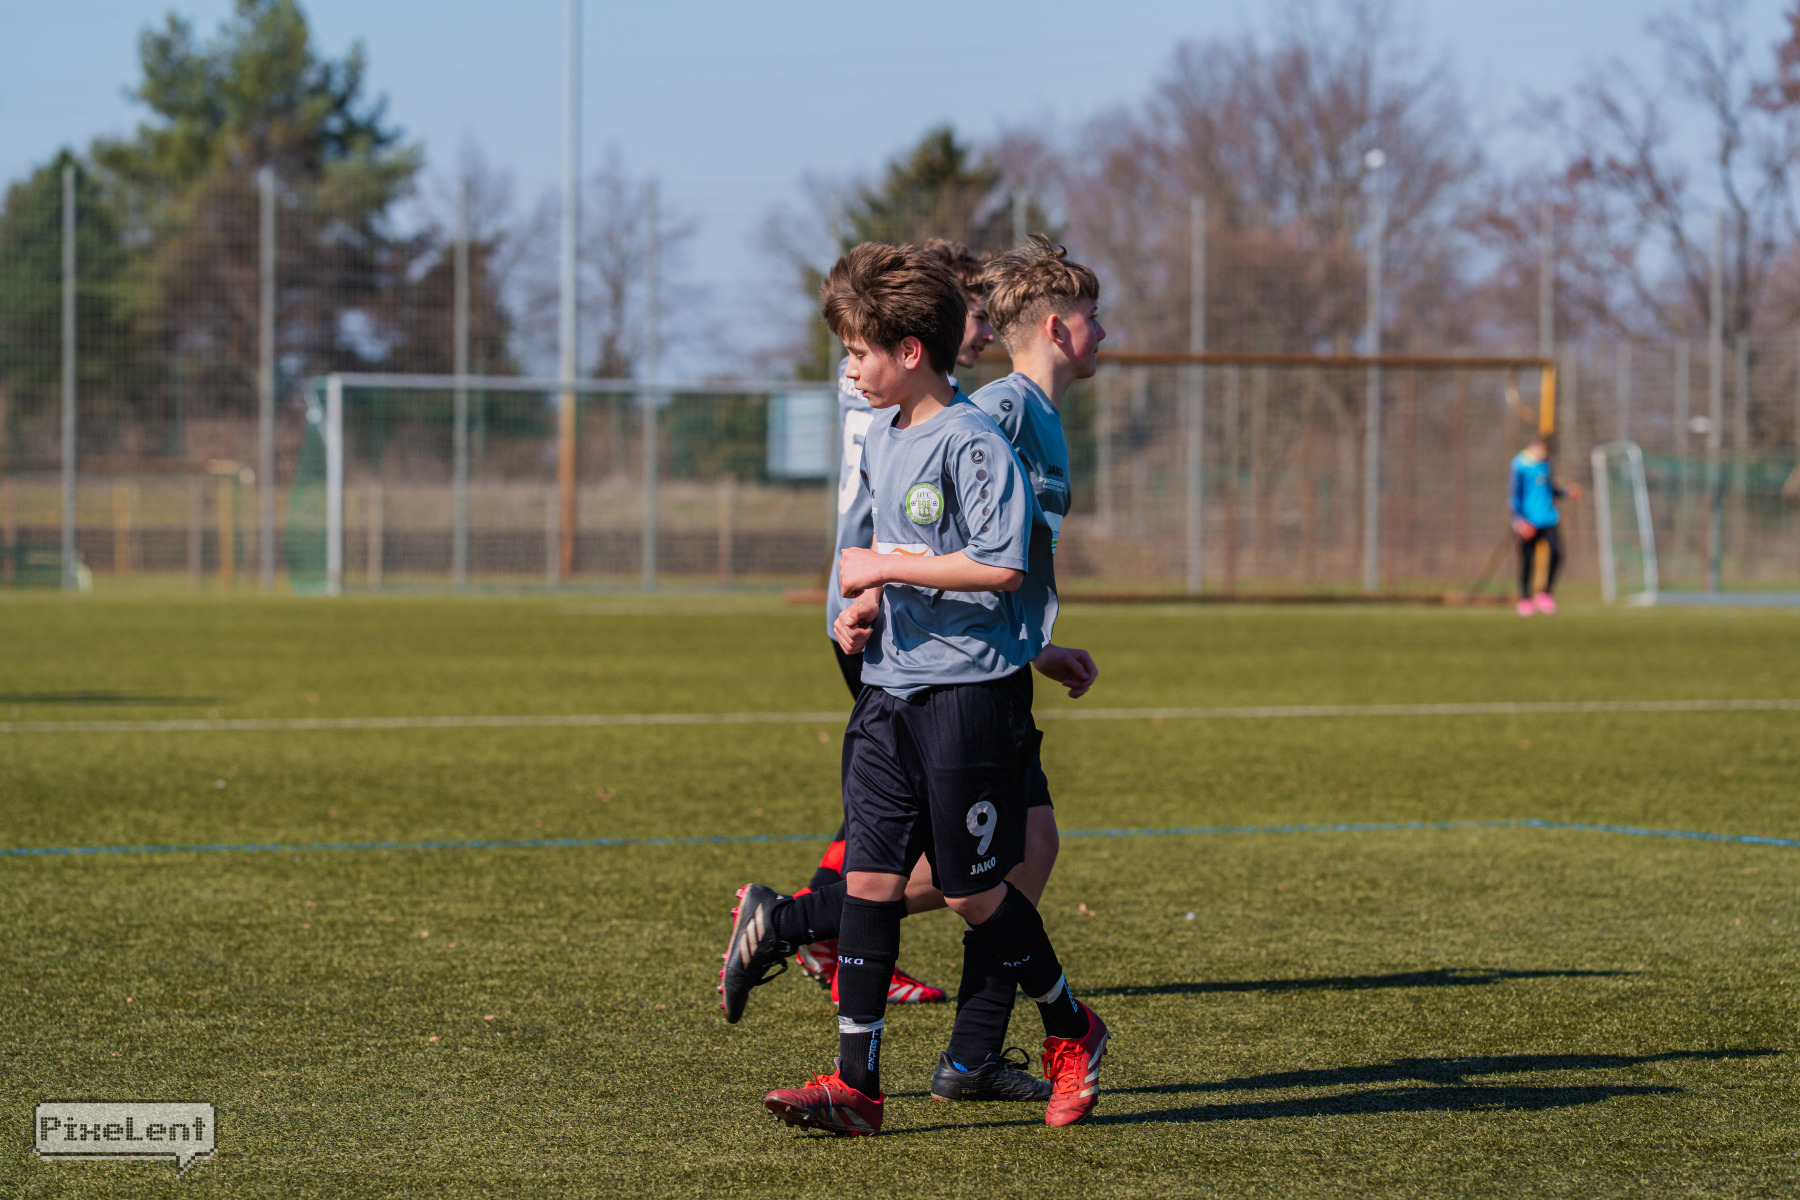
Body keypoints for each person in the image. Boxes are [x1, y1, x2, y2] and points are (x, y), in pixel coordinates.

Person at [740, 242, 1109, 1135]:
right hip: (888, 691)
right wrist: (863, 606)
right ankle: (857, 1087)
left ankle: (1071, 1027)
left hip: (966, 698)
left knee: (973, 890)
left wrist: (884, 569)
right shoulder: (887, 436)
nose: (850, 369)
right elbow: (900, 552)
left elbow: (1001, 564)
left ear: (910, 352)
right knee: (870, 881)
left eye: (859, 352)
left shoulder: (975, 437)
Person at [716, 241, 999, 1017]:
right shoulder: (907, 399)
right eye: (975, 315)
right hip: (892, 611)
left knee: (897, 808)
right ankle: (811, 927)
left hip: (873, 599)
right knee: (930, 826)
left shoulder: (880, 386)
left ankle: (823, 936)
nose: (983, 332)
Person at [928, 234, 1101, 1100]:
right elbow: (941, 514)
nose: (1104, 334)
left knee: (1029, 850)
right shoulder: (999, 409)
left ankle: (970, 1059)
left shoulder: (1044, 417)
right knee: (959, 876)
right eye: (1094, 318)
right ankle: (797, 919)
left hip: (1003, 662)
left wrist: (1039, 646)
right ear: (1060, 328)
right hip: (964, 673)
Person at [1510, 433, 1582, 616]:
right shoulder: (1520, 463)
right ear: (1536, 446)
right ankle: (1525, 598)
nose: (1545, 455)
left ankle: (1545, 594)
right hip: (1528, 521)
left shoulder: (1547, 463)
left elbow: (1549, 489)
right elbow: (1514, 494)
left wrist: (1566, 492)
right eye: (1544, 451)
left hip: (1548, 518)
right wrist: (1518, 519)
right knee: (1527, 560)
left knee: (1557, 554)